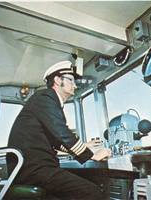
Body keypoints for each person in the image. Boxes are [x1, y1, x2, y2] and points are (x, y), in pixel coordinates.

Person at [8, 60, 111, 200]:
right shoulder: (45, 97)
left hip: (32, 169)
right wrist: (92, 155)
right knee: (93, 193)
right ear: (57, 80)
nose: (74, 85)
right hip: (35, 170)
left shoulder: (49, 101)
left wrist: (84, 146)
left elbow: (57, 140)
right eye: (71, 80)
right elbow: (62, 133)